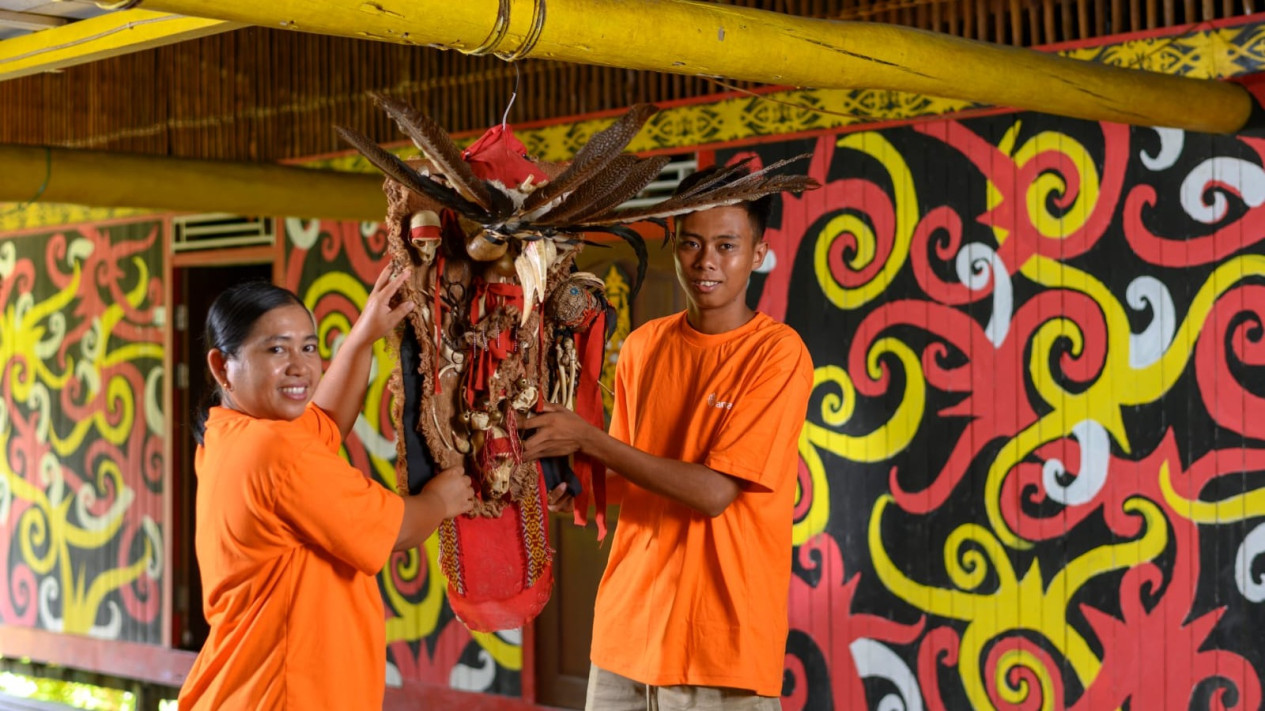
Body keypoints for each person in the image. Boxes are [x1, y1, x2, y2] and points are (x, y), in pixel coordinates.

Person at [523, 165, 815, 710]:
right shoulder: (644, 346)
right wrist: (579, 489)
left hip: (719, 645)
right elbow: (631, 472)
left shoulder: (777, 355)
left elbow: (714, 493)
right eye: (691, 243)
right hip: (626, 631)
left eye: (726, 245)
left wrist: (588, 440)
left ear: (758, 253)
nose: (706, 261)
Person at [178, 267, 475, 710]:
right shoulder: (274, 449)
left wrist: (363, 336)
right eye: (276, 349)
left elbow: (327, 422)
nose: (300, 366)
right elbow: (396, 530)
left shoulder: (231, 436)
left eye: (308, 347)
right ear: (223, 366)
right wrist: (440, 500)